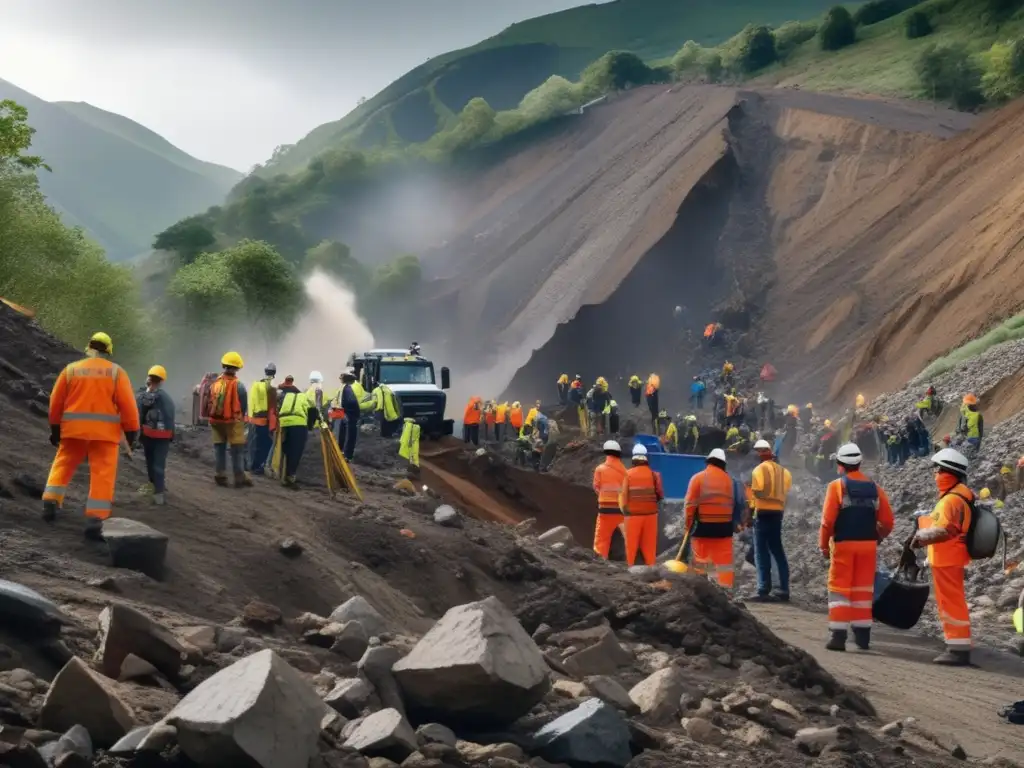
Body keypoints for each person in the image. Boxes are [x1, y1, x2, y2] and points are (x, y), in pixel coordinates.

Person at [43, 332, 140, 539]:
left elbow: (55, 403)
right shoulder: (116, 373)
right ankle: (95, 519)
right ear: (108, 351)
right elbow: (129, 408)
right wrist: (131, 435)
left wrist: (55, 430)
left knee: (63, 464)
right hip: (104, 436)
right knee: (102, 474)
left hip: (72, 431)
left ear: (89, 347)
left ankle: (50, 500)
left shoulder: (71, 370)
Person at [818, 443, 894, 651]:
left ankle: (838, 636)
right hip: (868, 546)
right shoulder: (875, 488)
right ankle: (862, 637)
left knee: (840, 589)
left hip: (843, 544)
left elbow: (827, 522)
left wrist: (824, 546)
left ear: (840, 465)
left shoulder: (836, 487)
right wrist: (877, 537)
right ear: (859, 464)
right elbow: (888, 521)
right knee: (863, 590)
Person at [911, 448, 975, 665]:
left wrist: (920, 538)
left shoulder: (950, 501)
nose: (935, 475)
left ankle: (957, 649)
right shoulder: (958, 496)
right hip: (952, 557)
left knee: (950, 602)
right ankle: (958, 645)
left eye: (938, 471)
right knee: (952, 600)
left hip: (947, 557)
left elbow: (945, 530)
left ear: (948, 473)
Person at [684, 448, 743, 590]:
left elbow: (690, 505)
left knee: (701, 560)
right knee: (723, 563)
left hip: (703, 527)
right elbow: (738, 503)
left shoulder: (698, 478)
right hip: (724, 528)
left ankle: (702, 589)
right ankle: (726, 589)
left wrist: (688, 525)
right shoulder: (731, 481)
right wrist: (737, 523)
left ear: (708, 462)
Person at [748, 439, 793, 601]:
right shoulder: (785, 472)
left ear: (760, 453)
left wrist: (751, 508)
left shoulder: (758, 470)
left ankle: (763, 589)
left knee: (761, 552)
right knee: (777, 550)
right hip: (777, 514)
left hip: (762, 513)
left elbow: (758, 492)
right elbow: (785, 491)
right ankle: (783, 588)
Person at [207, 351, 252, 489]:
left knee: (219, 448)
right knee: (237, 450)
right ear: (237, 368)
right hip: (233, 422)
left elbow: (210, 401)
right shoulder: (239, 385)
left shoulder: (215, 384)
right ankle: (239, 478)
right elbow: (243, 406)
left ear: (224, 365)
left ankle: (220, 475)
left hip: (216, 421)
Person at [136, 364, 175, 506]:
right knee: (159, 465)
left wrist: (138, 434)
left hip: (148, 435)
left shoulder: (142, 396)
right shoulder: (166, 398)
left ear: (149, 378)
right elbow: (170, 418)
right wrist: (171, 436)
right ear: (162, 380)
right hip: (163, 437)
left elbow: (139, 416)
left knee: (150, 463)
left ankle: (154, 487)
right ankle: (159, 494)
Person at [620, 443, 663, 567]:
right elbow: (660, 494)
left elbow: (623, 495)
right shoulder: (654, 475)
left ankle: (630, 568)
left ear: (634, 458)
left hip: (633, 515)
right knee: (649, 546)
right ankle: (651, 569)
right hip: (651, 515)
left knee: (631, 545)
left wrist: (624, 511)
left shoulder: (628, 474)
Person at [593, 440, 627, 559]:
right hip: (620, 510)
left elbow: (596, 488)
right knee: (627, 535)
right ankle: (633, 560)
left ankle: (600, 561)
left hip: (605, 510)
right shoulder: (625, 472)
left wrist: (604, 496)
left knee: (601, 539)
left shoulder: (600, 469)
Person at [277, 376, 311, 488]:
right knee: (296, 451)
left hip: (284, 423)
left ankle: (282, 474)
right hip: (298, 424)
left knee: (286, 449)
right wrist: (310, 426)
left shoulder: (285, 396)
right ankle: (290, 477)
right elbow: (313, 411)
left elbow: (279, 409)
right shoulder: (304, 397)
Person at [247, 363, 278, 475]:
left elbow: (251, 402)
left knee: (255, 443)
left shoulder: (256, 385)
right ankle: (260, 465)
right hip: (268, 420)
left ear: (265, 371)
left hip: (256, 419)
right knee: (266, 443)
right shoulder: (274, 386)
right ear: (274, 372)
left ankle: (253, 465)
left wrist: (250, 418)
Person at [338, 371, 362, 460]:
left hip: (342, 413)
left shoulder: (343, 388)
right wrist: (356, 412)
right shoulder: (348, 388)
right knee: (350, 435)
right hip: (350, 414)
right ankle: (348, 455)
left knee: (343, 433)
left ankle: (341, 451)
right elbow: (351, 402)